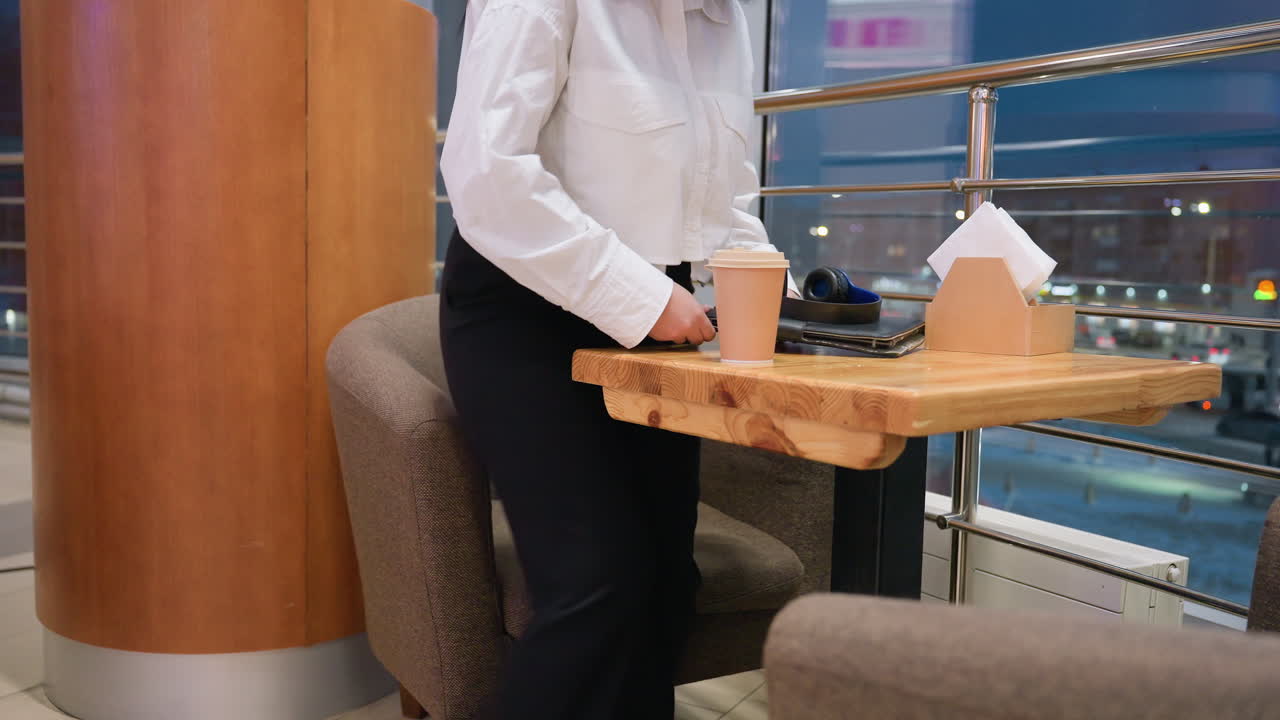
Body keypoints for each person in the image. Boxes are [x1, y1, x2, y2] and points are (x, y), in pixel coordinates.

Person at [439, 1, 793, 717]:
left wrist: (757, 282)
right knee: (598, 584)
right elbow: (487, 171)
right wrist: (640, 295)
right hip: (523, 307)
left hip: (654, 318)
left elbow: (728, 193)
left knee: (667, 580)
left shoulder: (724, 19)